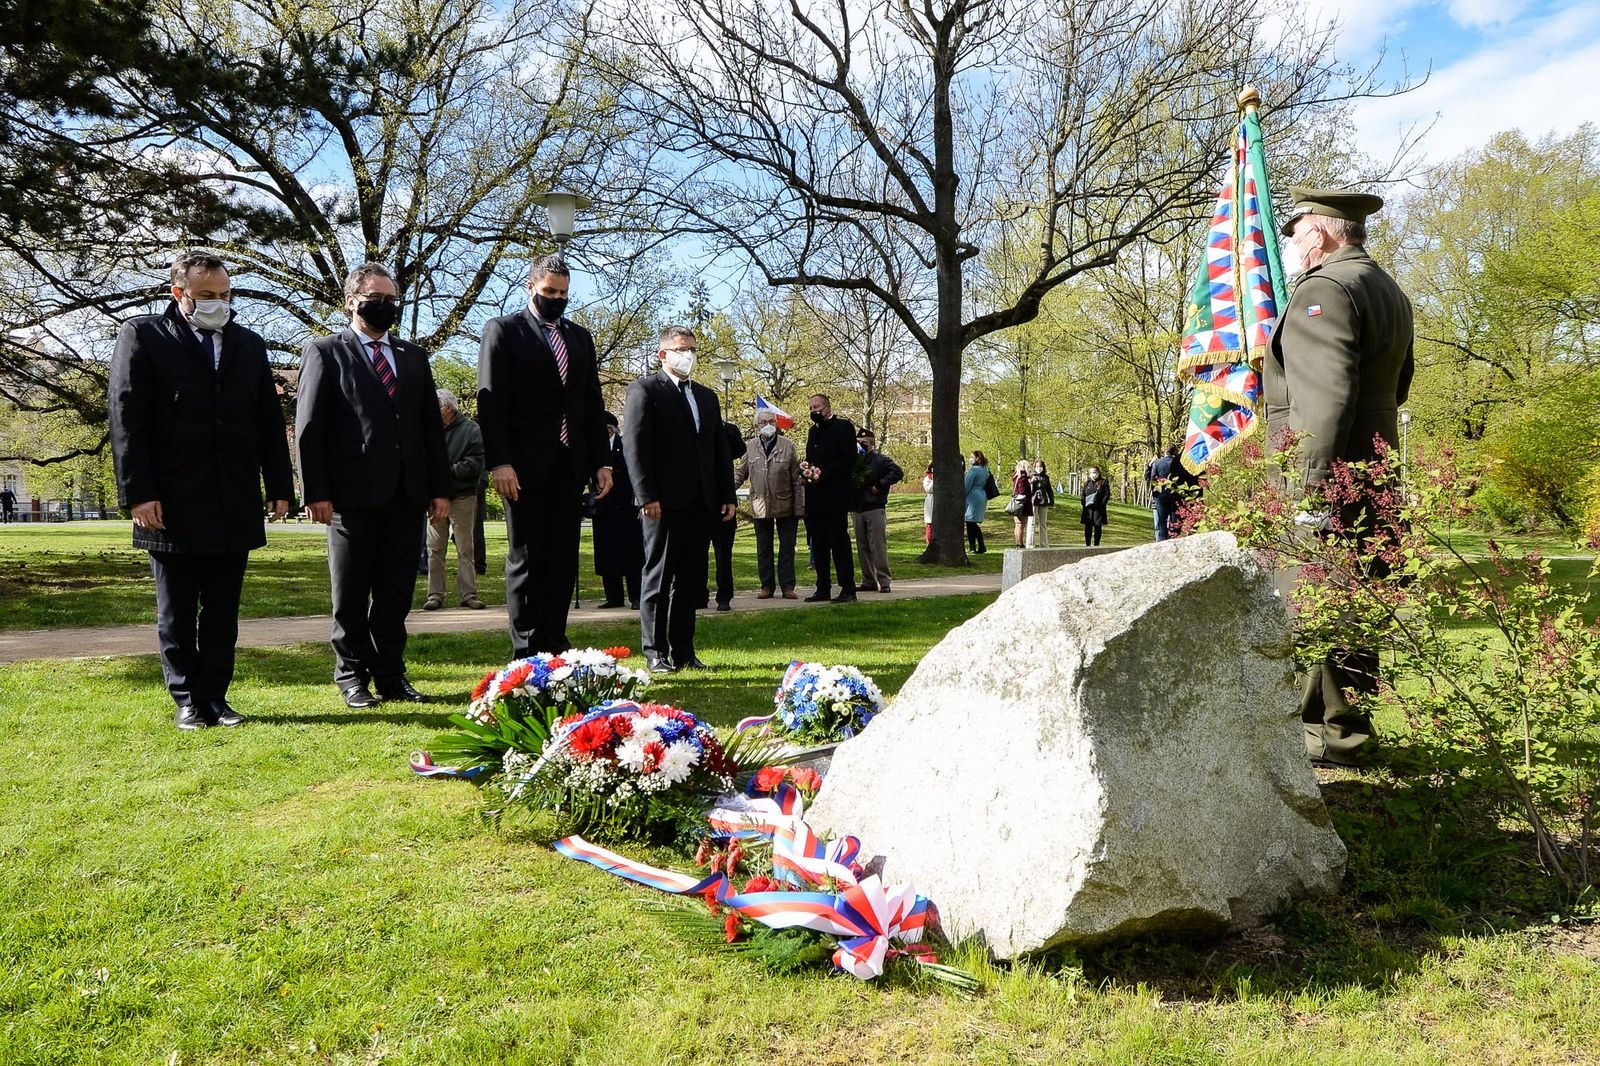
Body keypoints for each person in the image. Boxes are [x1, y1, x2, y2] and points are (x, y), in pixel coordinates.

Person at [108, 248, 295, 730]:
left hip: (232, 496)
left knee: (222, 611)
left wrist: (279, 485)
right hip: (169, 499)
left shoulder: (249, 345)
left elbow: (268, 423)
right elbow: (126, 418)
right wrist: (138, 492)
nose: (218, 302)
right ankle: (187, 698)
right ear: (179, 294)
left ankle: (216, 696)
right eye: (207, 295)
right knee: (176, 610)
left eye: (225, 294)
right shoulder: (144, 336)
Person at [1265, 186, 1415, 767]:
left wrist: (1310, 492)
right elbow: (1396, 386)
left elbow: (1325, 401)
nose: (1295, 246)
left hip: (1331, 480)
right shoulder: (1387, 289)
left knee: (1316, 607)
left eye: (1297, 232)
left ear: (1321, 232)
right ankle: (1346, 734)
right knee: (1352, 608)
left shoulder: (1324, 290)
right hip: (1373, 475)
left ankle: (1325, 737)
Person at [296, 262, 451, 708]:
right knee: (350, 594)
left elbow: (428, 430)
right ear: (351, 301)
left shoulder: (413, 357)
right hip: (349, 497)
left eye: (391, 299)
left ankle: (391, 675)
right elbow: (310, 427)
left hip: (406, 495)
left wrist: (438, 489)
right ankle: (351, 676)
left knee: (394, 595)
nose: (385, 306)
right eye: (376, 298)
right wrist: (316, 491)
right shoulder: (325, 351)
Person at [477, 254, 613, 657]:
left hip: (568, 466)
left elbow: (591, 403)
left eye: (563, 293)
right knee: (526, 557)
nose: (556, 298)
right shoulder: (503, 330)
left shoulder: (579, 337)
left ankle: (555, 641)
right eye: (549, 291)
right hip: (521, 467)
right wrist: (500, 461)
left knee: (562, 558)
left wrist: (601, 463)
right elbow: (492, 403)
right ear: (531, 287)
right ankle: (526, 647)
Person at [623, 325, 736, 672]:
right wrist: (646, 495)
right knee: (658, 577)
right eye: (681, 349)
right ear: (663, 354)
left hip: (702, 502)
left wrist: (726, 493)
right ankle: (655, 652)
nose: (688, 355)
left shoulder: (707, 396)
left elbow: (718, 449)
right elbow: (635, 447)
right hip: (662, 503)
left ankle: (684, 650)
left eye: (692, 349)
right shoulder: (644, 391)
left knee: (692, 581)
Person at [734, 406, 805, 600]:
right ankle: (766, 586)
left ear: (776, 423)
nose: (767, 425)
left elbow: (796, 480)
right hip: (759, 506)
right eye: (763, 423)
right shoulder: (749, 447)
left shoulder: (788, 445)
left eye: (771, 422)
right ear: (757, 426)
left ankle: (787, 586)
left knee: (787, 548)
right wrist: (727, 490)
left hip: (786, 505)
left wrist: (799, 507)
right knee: (763, 549)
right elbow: (740, 473)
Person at [424, 389, 485, 611]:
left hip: (463, 497)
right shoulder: (428, 429)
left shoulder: (471, 430)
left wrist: (443, 471)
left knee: (465, 548)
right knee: (434, 548)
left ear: (448, 408)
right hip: (435, 498)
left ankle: (469, 594)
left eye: (436, 406)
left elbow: (475, 465)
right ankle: (435, 595)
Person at [800, 394, 858, 603]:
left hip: (835, 496)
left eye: (817, 406)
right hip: (815, 497)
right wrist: (806, 471)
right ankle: (822, 587)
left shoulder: (843, 427)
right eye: (811, 407)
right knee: (818, 545)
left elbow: (849, 457)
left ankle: (848, 589)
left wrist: (824, 473)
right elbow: (810, 457)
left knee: (839, 543)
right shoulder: (812, 431)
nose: (813, 410)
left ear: (827, 407)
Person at [593, 412, 644, 610]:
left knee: (632, 554)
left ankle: (636, 596)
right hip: (603, 509)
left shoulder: (626, 446)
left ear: (608, 429)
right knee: (607, 554)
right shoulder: (595, 450)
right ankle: (613, 596)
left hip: (626, 509)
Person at [852, 428, 903, 593]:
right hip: (857, 507)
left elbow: (897, 472)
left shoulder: (880, 460)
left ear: (872, 444)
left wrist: (880, 485)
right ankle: (868, 580)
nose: (861, 445)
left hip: (874, 507)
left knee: (877, 546)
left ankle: (884, 580)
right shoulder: (853, 460)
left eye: (864, 443)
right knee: (862, 546)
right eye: (859, 442)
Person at [706, 420, 744, 610]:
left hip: (723, 501)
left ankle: (724, 596)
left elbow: (740, 449)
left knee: (723, 555)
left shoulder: (726, 431)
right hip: (701, 504)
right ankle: (698, 594)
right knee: (697, 555)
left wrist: (724, 429)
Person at [1146, 444, 1183, 541]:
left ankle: (1162, 541)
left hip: (1161, 495)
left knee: (1162, 521)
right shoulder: (1179, 463)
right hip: (1176, 495)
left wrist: (1155, 494)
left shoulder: (1157, 463)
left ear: (1164, 451)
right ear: (1174, 452)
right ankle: (1174, 540)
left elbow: (1153, 480)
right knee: (1175, 521)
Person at [962, 450, 991, 554]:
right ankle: (981, 546)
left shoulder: (974, 470)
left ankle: (972, 547)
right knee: (973, 522)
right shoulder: (985, 469)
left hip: (973, 496)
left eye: (972, 457)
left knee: (970, 522)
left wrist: (961, 495)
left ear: (977, 458)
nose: (970, 459)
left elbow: (967, 485)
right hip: (982, 495)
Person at [1027, 459, 1055, 548]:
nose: (1039, 468)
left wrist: (1051, 500)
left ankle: (1044, 544)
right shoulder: (1030, 476)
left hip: (1043, 501)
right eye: (1037, 466)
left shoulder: (1046, 477)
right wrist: (1031, 481)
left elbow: (1049, 490)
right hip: (1033, 502)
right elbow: (1027, 490)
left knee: (1043, 524)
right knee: (1031, 523)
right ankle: (1030, 544)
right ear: (1034, 467)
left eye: (1041, 466)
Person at [1080, 465, 1110, 546]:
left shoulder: (1103, 482)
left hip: (1098, 509)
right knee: (1088, 528)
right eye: (1091, 472)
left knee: (1097, 527)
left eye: (1095, 472)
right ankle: (1087, 545)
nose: (1093, 474)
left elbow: (1107, 495)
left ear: (1098, 472)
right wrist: (1084, 503)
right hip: (1088, 509)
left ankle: (1096, 545)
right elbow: (1083, 494)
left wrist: (1102, 503)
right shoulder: (1087, 483)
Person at [1009, 458, 1033, 547]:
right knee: (1021, 525)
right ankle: (1020, 543)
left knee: (1017, 525)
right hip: (1022, 504)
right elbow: (1022, 490)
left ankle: (1017, 543)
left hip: (1016, 503)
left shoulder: (1016, 476)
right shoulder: (1023, 476)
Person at [922, 464, 934, 544]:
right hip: (931, 501)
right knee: (930, 523)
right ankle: (929, 543)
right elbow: (929, 490)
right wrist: (933, 480)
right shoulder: (927, 479)